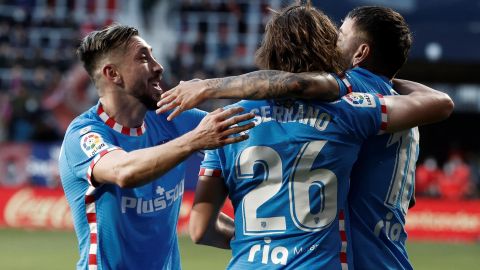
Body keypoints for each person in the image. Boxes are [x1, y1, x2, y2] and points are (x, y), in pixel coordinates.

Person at [156, 5, 453, 270]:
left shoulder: (224, 119)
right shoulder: (368, 107)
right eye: (333, 35)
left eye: (342, 34)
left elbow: (199, 229)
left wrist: (260, 239)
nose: (337, 41)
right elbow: (438, 109)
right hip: (380, 256)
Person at [58, 24, 255, 270]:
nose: (158, 66)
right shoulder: (84, 135)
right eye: (143, 58)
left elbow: (249, 129)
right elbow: (123, 172)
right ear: (113, 74)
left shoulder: (170, 117)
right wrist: (195, 139)